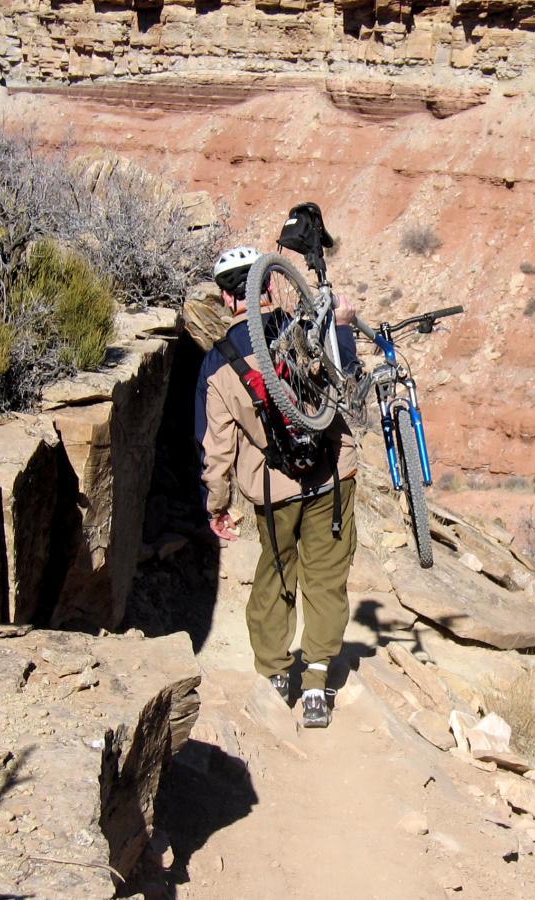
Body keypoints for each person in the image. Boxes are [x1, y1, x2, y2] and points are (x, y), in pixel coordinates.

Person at [194, 245, 359, 728]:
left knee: (277, 574)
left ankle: (275, 672)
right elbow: (344, 375)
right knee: (326, 581)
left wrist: (217, 505)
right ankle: (317, 684)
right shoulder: (303, 329)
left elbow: (215, 447)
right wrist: (343, 326)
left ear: (228, 300)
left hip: (272, 491)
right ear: (269, 285)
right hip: (331, 476)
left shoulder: (216, 365)